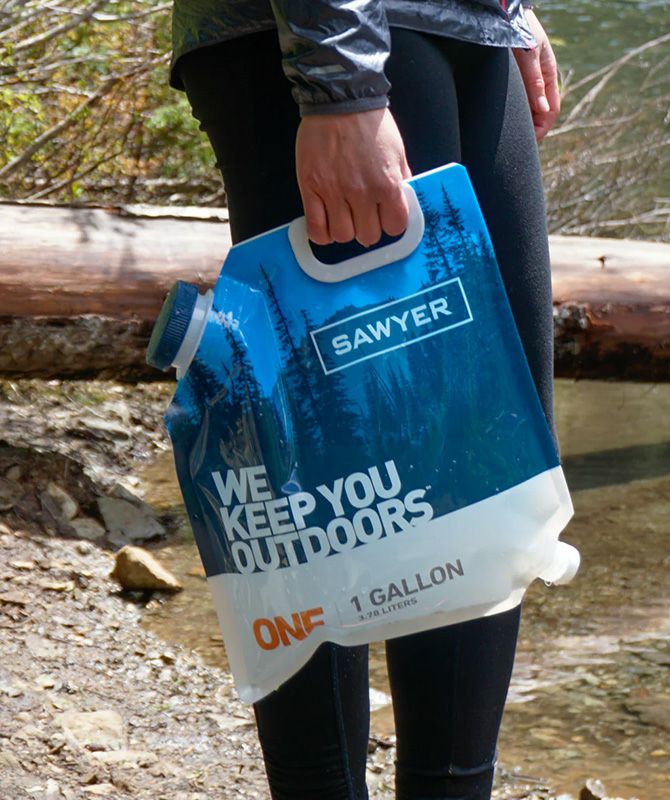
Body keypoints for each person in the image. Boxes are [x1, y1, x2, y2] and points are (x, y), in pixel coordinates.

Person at [169, 2, 561, 798]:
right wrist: (339, 80)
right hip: (333, 32)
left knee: (488, 460)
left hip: (459, 24)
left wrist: (506, 11)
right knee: (311, 471)